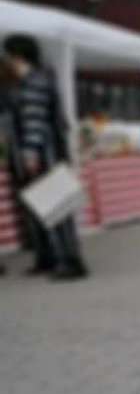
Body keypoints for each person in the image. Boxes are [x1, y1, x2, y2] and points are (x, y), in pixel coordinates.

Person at [2, 34, 88, 280]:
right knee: (40, 208)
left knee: (56, 209)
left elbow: (34, 120)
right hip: (38, 155)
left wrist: (30, 153)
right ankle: (49, 256)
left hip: (44, 156)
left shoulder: (34, 82)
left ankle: (69, 260)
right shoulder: (28, 80)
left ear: (17, 56)